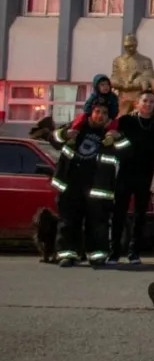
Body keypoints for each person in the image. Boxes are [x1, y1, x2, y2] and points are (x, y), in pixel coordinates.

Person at [47, 99, 130, 267]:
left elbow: (127, 153)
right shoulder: (77, 126)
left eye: (104, 113)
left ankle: (97, 255)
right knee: (68, 220)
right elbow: (53, 138)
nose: (100, 116)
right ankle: (67, 254)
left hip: (98, 186)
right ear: (91, 112)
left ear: (109, 116)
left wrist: (118, 137)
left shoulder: (111, 132)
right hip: (72, 183)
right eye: (97, 112)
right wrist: (65, 134)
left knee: (98, 222)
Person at [110, 91, 154, 264]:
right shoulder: (126, 122)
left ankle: (134, 252)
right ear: (138, 104)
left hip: (145, 176)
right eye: (145, 101)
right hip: (125, 173)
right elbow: (113, 138)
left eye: (152, 101)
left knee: (140, 216)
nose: (148, 104)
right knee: (119, 213)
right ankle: (114, 252)